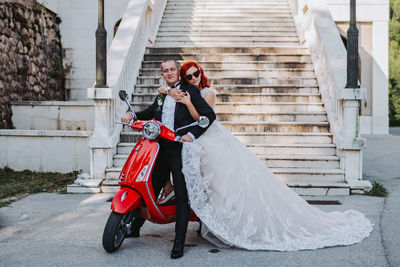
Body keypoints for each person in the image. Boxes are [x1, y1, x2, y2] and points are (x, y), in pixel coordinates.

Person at [162, 61, 373, 251]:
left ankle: (237, 223)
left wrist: (186, 101)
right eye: (188, 76)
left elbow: (203, 119)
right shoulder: (182, 92)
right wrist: (165, 90)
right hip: (194, 142)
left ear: (201, 73)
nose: (193, 78)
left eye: (195, 74)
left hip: (210, 138)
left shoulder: (205, 92)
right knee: (210, 185)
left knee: (224, 182)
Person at [121, 59, 216, 259]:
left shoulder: (190, 92)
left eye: (173, 69)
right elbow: (150, 113)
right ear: (163, 74)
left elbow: (208, 116)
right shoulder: (163, 94)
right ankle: (133, 226)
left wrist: (192, 134)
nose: (170, 72)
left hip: (179, 148)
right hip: (159, 147)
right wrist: (132, 115)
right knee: (151, 186)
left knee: (181, 195)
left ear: (178, 72)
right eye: (166, 70)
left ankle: (179, 243)